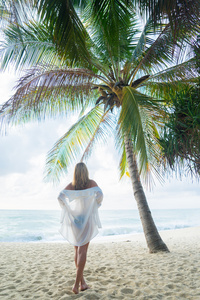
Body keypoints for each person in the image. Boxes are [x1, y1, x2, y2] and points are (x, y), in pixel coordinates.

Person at [57, 162, 103, 294]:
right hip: (86, 219)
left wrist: (67, 209)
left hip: (75, 220)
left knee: (77, 250)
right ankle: (76, 285)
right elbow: (100, 195)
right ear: (86, 171)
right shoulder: (91, 183)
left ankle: (82, 283)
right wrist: (95, 205)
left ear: (75, 172)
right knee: (82, 250)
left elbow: (60, 197)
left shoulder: (72, 185)